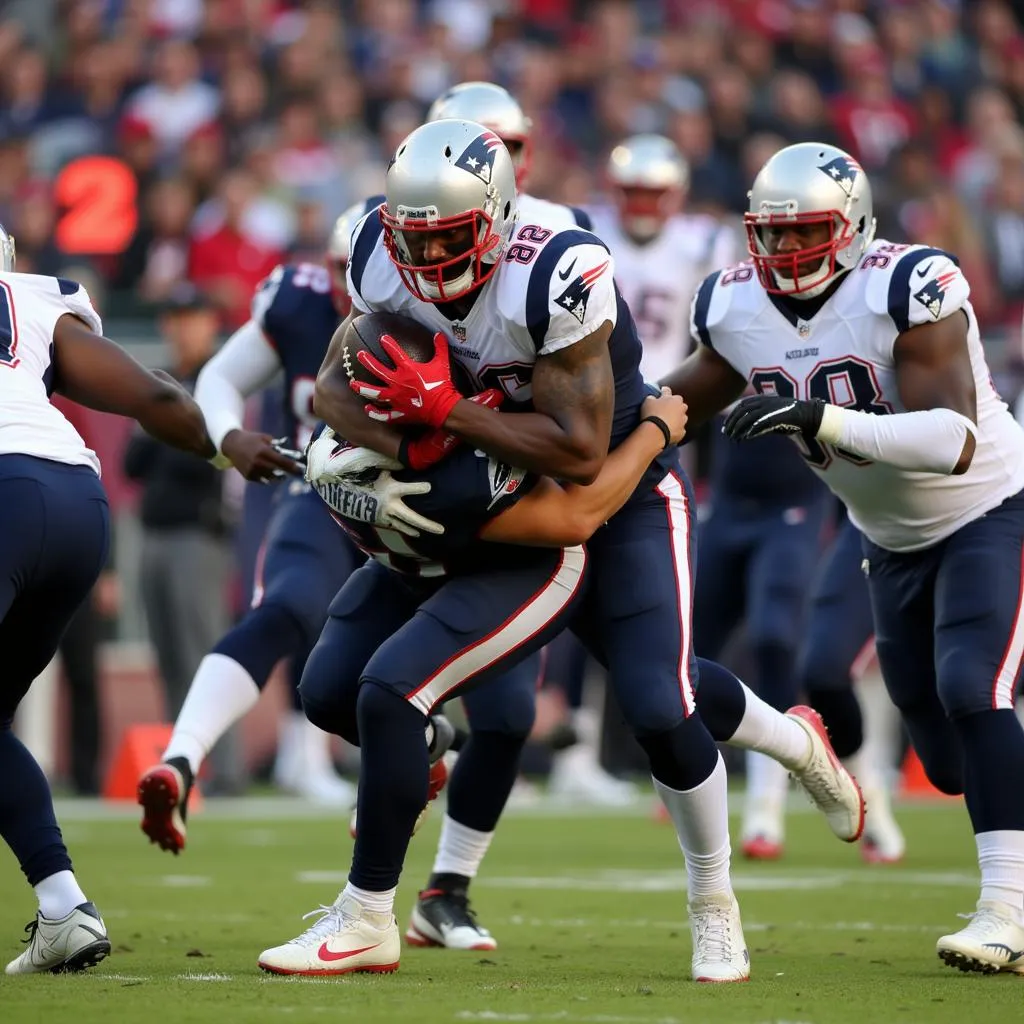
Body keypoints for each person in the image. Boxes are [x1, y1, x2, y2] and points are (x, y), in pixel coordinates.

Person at [306, 119, 863, 982]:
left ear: (493, 219)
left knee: (658, 704)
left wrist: (445, 413)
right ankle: (790, 740)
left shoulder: (553, 273)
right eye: (414, 236)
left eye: (448, 238)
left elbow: (577, 450)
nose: (426, 257)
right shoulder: (378, 250)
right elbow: (341, 387)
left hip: (619, 484)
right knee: (353, 688)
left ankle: (716, 903)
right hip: (491, 476)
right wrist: (371, 452)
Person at [661, 141, 1024, 974]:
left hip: (989, 509)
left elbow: (954, 441)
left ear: (853, 227)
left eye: (806, 234)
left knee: (976, 687)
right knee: (944, 758)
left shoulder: (904, 284)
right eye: (771, 235)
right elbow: (671, 404)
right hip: (886, 539)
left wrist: (814, 418)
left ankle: (1006, 911)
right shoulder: (734, 305)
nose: (785, 254)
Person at [0, 224, 217, 974]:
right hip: (74, 501)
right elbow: (153, 394)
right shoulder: (32, 298)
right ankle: (62, 909)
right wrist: (223, 445)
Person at [136, 203, 372, 839]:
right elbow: (218, 377)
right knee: (286, 610)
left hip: (419, 499)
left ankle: (410, 775)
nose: (352, 285)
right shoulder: (297, 302)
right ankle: (182, 757)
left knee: (421, 657)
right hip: (321, 493)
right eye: (340, 269)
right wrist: (229, 438)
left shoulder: (437, 307)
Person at [123, 283, 240, 793]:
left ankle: (227, 773)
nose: (180, 327)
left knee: (205, 657)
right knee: (169, 658)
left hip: (199, 534)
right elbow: (134, 464)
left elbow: (206, 460)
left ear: (209, 323)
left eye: (190, 317)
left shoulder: (218, 381)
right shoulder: (164, 384)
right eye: (173, 318)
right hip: (156, 533)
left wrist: (164, 433)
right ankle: (182, 767)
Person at [796, 503, 906, 864]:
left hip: (969, 525)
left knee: (950, 762)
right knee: (822, 671)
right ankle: (866, 795)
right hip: (872, 523)